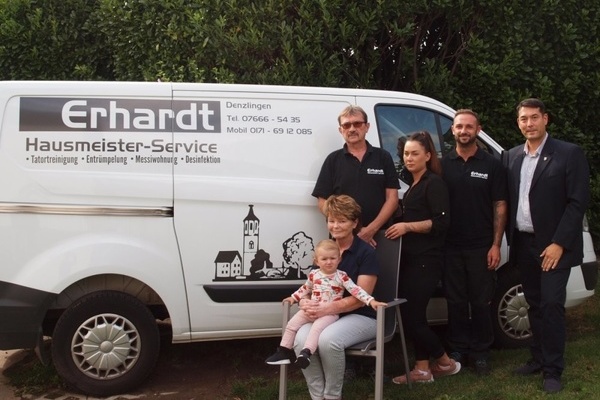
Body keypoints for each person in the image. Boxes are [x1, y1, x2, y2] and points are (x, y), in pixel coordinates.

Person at [506, 98, 590, 393]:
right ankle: (538, 358)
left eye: (534, 117)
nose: (528, 124)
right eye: (523, 119)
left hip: (554, 247)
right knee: (534, 303)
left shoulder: (568, 153)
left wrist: (558, 243)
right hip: (523, 243)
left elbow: (577, 202)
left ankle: (553, 370)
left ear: (545, 119)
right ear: (518, 123)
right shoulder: (511, 157)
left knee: (552, 304)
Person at [384, 131, 460, 384]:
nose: (409, 158)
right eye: (406, 153)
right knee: (414, 316)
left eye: (415, 153)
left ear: (428, 156)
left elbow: (441, 222)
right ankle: (422, 369)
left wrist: (407, 226)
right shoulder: (414, 184)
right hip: (411, 260)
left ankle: (445, 362)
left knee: (412, 318)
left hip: (426, 261)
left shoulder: (433, 183)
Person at [292, 194, 380, 400]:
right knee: (300, 340)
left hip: (363, 315)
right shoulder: (326, 250)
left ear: (354, 223)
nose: (336, 226)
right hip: (326, 316)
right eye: (331, 220)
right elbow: (312, 284)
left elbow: (361, 297)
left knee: (328, 340)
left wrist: (326, 309)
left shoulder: (366, 253)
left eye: (342, 221)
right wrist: (304, 301)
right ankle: (317, 396)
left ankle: (332, 396)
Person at [441, 109, 508, 374]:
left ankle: (481, 351)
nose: (464, 131)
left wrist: (496, 244)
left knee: (481, 302)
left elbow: (499, 204)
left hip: (481, 246)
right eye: (459, 127)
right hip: (450, 246)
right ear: (452, 130)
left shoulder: (492, 165)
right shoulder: (442, 165)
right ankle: (458, 348)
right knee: (455, 301)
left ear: (478, 130)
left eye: (469, 127)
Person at [265, 239, 386, 369]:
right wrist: (293, 297)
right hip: (312, 310)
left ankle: (306, 353)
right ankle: (284, 352)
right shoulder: (314, 274)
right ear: (317, 261)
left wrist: (371, 301)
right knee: (291, 325)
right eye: (324, 259)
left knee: (316, 329)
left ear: (339, 259)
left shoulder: (341, 276)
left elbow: (356, 290)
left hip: (329, 314)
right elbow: (305, 288)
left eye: (332, 258)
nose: (329, 262)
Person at [312, 105, 399, 246]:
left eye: (357, 124)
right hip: (344, 238)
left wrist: (371, 230)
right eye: (346, 125)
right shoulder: (333, 160)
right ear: (341, 130)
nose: (352, 129)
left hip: (378, 236)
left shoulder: (383, 157)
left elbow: (392, 199)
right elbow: (322, 201)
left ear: (367, 127)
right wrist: (346, 228)